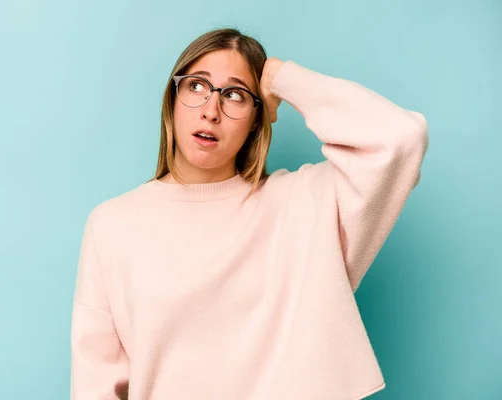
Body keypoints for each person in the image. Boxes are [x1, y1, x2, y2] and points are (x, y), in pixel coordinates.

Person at [69, 28, 429, 400]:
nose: (211, 111)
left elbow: (400, 138)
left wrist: (280, 77)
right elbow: (94, 385)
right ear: (172, 100)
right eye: (196, 86)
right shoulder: (114, 225)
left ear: (257, 118)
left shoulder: (302, 205)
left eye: (235, 95)